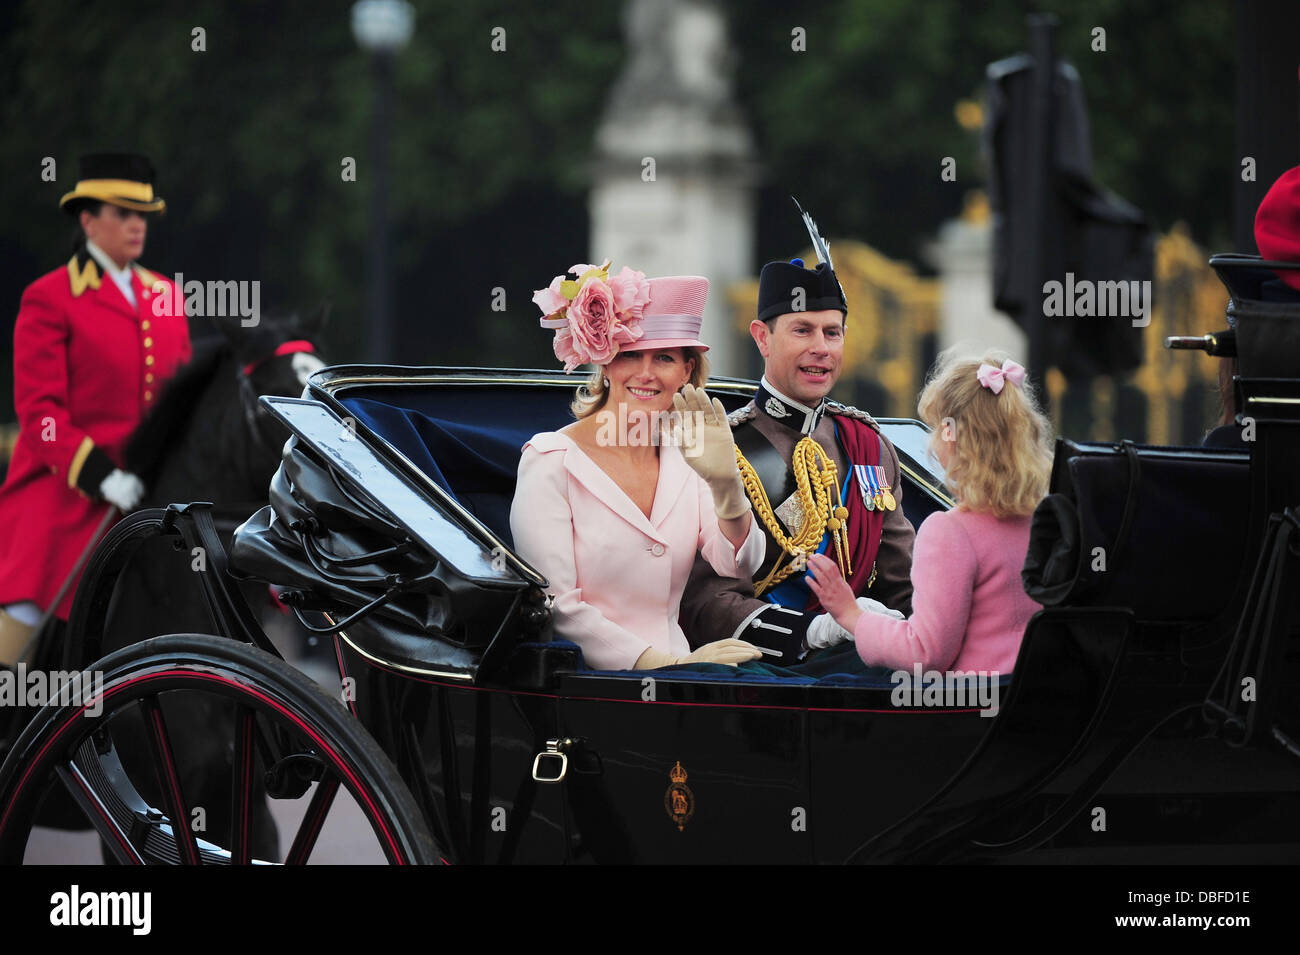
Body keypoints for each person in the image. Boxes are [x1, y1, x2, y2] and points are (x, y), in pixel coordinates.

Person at [678, 227, 916, 667]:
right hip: (767, 668)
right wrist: (812, 632)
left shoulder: (868, 444)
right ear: (762, 337)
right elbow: (704, 599)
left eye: (833, 332)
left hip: (867, 659)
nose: (821, 348)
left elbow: (903, 583)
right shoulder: (722, 447)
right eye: (803, 330)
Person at [510, 261, 765, 670]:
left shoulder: (689, 455)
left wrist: (727, 485)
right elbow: (555, 604)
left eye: (663, 358)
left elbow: (738, 563)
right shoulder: (550, 460)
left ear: (685, 372)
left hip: (687, 674)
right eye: (631, 355)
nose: (646, 374)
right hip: (590, 686)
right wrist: (667, 665)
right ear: (606, 363)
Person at [0, 154, 189, 667]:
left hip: (148, 502)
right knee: (14, 645)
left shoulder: (168, 298)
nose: (136, 225)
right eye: (123, 212)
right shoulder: (50, 298)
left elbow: (181, 406)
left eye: (143, 214)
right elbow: (40, 416)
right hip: (62, 504)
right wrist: (103, 476)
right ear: (87, 220)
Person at [804, 351, 1053, 675]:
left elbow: (924, 653)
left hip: (963, 713)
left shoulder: (949, 531)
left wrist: (851, 614)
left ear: (954, 438)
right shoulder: (1041, 519)